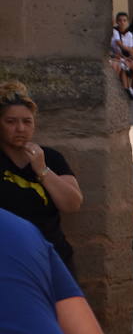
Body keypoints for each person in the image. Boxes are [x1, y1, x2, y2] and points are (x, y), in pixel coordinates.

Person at [0, 81, 83, 274]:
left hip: (51, 257)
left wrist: (42, 170)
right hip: (8, 259)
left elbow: (72, 204)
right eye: (11, 122)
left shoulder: (50, 157)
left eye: (27, 121)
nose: (20, 128)